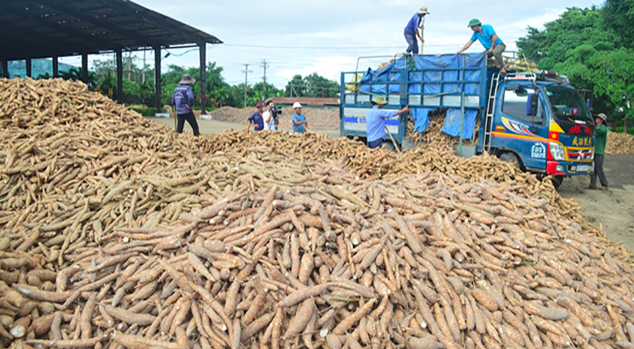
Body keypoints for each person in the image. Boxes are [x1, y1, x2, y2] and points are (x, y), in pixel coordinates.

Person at [588, 113, 609, 190]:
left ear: (601, 120)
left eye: (598, 118)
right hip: (594, 151)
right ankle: (592, 185)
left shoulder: (602, 128)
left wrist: (593, 127)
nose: (596, 119)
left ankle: (605, 184)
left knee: (599, 168)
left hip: (599, 152)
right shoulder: (596, 128)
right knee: (593, 169)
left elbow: (601, 130)